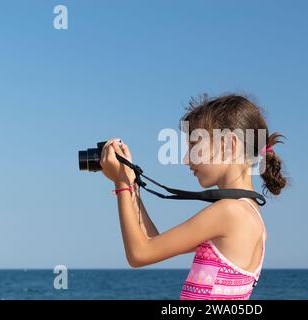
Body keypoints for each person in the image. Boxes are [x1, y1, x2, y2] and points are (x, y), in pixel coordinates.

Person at [100, 93, 289, 300]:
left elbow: (139, 254)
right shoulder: (247, 212)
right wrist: (131, 184)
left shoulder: (229, 212)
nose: (185, 158)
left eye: (195, 146)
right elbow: (151, 242)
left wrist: (121, 184)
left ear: (230, 145)